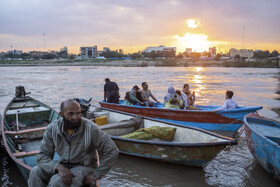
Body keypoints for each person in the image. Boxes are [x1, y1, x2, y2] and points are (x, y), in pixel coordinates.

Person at [28, 99, 119, 187]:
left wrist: (96, 174)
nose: (75, 117)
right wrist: (58, 167)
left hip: (85, 167)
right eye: (70, 114)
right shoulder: (52, 129)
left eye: (78, 113)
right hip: (64, 165)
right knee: (35, 172)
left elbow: (112, 150)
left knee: (57, 182)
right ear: (61, 114)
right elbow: (41, 156)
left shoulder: (91, 128)